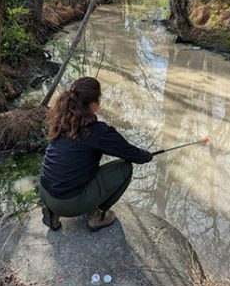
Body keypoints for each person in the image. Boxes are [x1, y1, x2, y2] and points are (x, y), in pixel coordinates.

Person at [39, 77, 153, 232]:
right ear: (93, 103)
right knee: (124, 168)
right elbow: (132, 154)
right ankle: (97, 216)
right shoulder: (97, 131)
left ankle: (52, 214)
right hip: (68, 203)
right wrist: (147, 155)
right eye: (99, 97)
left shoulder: (60, 120)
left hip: (45, 192)